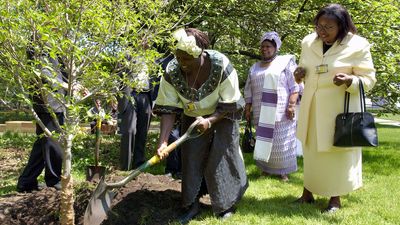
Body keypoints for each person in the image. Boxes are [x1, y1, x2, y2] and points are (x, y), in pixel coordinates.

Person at [153, 28, 248, 223]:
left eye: (187, 59)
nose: (183, 63)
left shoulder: (221, 64)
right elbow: (168, 109)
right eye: (179, 58)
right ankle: (192, 205)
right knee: (191, 158)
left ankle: (224, 206)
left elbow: (230, 102)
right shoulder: (171, 71)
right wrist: (163, 142)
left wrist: (210, 120)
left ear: (200, 54)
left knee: (221, 156)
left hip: (223, 114)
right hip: (192, 116)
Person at [293, 4, 376, 213]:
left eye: (328, 27)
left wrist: (350, 80)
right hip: (312, 107)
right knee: (311, 152)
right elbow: (306, 68)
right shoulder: (308, 42)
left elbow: (369, 79)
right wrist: (299, 75)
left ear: (342, 26)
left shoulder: (358, 45)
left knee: (335, 154)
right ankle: (307, 193)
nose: (322, 32)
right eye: (319, 26)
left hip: (338, 111)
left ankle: (334, 198)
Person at [244, 31, 301, 182]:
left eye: (268, 46)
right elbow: (248, 89)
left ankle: (283, 172)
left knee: (281, 142)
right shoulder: (255, 67)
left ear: (276, 48)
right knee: (263, 140)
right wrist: (247, 108)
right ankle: (265, 169)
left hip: (281, 111)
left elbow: (295, 85)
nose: (264, 49)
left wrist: (291, 105)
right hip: (260, 111)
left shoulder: (285, 63)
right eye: (262, 46)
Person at [17, 45, 66, 192]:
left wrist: (74, 84)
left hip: (57, 101)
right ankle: (53, 180)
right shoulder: (38, 40)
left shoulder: (54, 41)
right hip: (46, 102)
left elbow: (63, 70)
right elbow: (42, 71)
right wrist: (64, 84)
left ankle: (26, 182)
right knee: (53, 143)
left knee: (42, 145)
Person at [117, 54, 153, 171]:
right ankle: (124, 167)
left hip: (146, 96)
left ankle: (138, 165)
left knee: (143, 132)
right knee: (129, 131)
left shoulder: (152, 58)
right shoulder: (126, 55)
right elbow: (116, 77)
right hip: (130, 95)